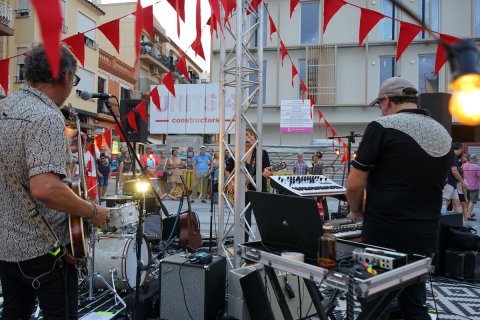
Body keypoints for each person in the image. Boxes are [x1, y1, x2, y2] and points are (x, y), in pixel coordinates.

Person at [0, 45, 109, 319]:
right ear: (66, 77)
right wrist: (92, 212)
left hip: (5, 245)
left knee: (14, 313)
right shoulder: (46, 117)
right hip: (45, 250)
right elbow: (45, 188)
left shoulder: (3, 108)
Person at [346, 76, 451, 319]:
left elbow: (354, 183)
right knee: (414, 303)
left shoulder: (381, 127)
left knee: (374, 299)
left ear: (386, 101)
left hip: (382, 235)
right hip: (425, 235)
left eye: (379, 105)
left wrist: (355, 210)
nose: (380, 110)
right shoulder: (442, 132)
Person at [225, 128, 272, 241]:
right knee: (245, 221)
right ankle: (244, 245)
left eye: (251, 136)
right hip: (243, 193)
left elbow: (268, 170)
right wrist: (231, 182)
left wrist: (267, 173)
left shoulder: (262, 153)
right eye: (246, 135)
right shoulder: (238, 154)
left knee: (263, 220)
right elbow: (227, 169)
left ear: (255, 139)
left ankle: (265, 245)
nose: (249, 137)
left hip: (259, 190)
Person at [442, 142, 466, 214]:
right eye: (461, 149)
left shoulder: (449, 156)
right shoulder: (453, 157)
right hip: (449, 183)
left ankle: (461, 223)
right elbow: (454, 171)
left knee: (457, 203)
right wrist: (462, 181)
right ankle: (437, 221)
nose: (461, 151)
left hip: (452, 184)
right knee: (445, 203)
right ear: (459, 149)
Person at [462, 153, 480, 223]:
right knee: (472, 201)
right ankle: (468, 215)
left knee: (467, 200)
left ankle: (466, 213)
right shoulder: (477, 167)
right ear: (475, 159)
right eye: (476, 159)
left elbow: (462, 174)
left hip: (466, 185)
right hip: (474, 186)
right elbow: (479, 178)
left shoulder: (464, 165)